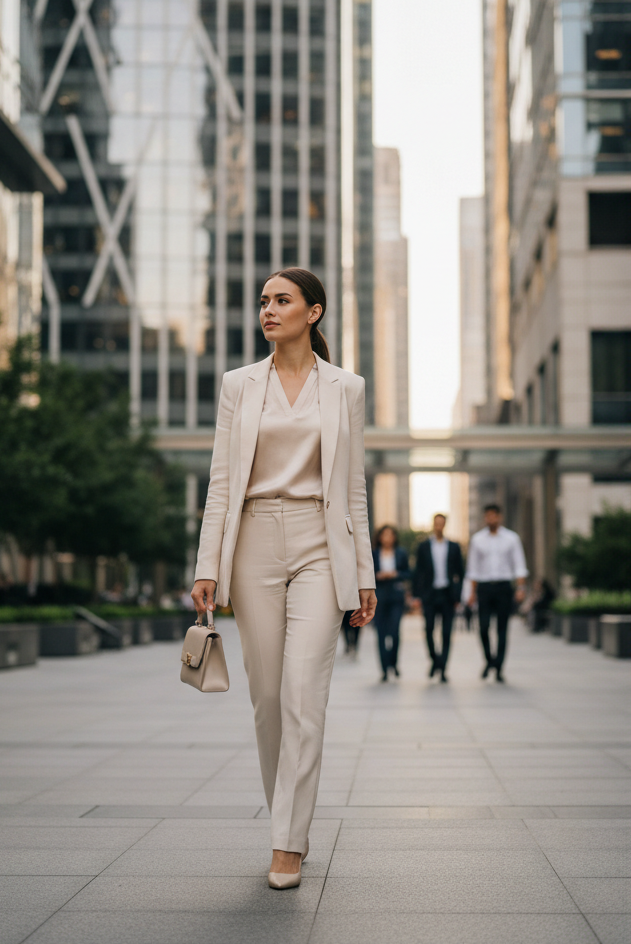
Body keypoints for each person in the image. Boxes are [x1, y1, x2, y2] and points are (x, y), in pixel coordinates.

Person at [190, 267, 377, 891]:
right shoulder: (238, 384)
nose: (268, 310)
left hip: (321, 542)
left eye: (282, 300)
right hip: (252, 542)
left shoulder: (346, 388)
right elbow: (221, 482)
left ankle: (287, 842)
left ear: (313, 311)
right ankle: (288, 818)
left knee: (303, 691)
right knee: (268, 698)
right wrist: (207, 564)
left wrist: (364, 573)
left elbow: (353, 486)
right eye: (264, 301)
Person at [466, 504, 529, 682]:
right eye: (487, 516)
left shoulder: (511, 538)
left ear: (499, 517)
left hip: (503, 587)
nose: (490, 519)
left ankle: (499, 667)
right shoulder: (477, 539)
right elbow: (472, 569)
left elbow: (519, 565)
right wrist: (471, 593)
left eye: (493, 515)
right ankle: (489, 660)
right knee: (483, 627)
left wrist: (521, 588)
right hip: (484, 588)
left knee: (502, 628)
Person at [412, 514, 465, 683]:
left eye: (442, 524)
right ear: (433, 525)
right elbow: (418, 571)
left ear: (445, 525)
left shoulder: (454, 546)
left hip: (448, 595)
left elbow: (460, 572)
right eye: (437, 523)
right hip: (430, 594)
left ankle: (442, 668)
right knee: (428, 629)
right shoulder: (424, 546)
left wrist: (458, 595)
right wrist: (416, 595)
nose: (439, 526)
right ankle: (435, 660)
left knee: (447, 633)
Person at [372, 525, 411, 681]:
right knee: (380, 633)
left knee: (394, 632)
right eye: (385, 535)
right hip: (379, 595)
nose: (388, 538)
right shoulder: (374, 553)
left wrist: (396, 574)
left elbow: (408, 573)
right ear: (380, 537)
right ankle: (384, 668)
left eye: (390, 535)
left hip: (396, 595)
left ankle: (393, 663)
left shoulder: (401, 553)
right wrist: (377, 575)